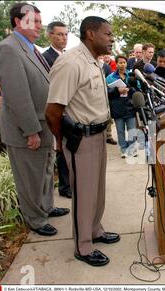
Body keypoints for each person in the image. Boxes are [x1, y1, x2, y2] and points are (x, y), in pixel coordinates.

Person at [45, 16, 120, 267]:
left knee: (97, 191)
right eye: (108, 34)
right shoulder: (71, 62)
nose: (112, 39)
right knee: (84, 194)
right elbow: (53, 110)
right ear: (90, 34)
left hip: (98, 134)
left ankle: (95, 230)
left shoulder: (94, 62)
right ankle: (83, 246)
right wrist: (60, 141)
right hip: (81, 139)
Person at [0, 2, 69, 237]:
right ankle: (35, 219)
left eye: (39, 21)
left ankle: (45, 207)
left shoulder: (29, 48)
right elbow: (18, 96)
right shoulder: (8, 49)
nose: (39, 25)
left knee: (45, 174)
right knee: (30, 179)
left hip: (42, 126)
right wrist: (31, 131)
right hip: (27, 131)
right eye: (33, 21)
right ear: (18, 21)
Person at [42, 21, 72, 199]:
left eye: (66, 34)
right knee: (60, 149)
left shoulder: (68, 56)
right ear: (50, 35)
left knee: (70, 149)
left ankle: (71, 182)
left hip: (71, 110)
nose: (64, 38)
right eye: (60, 34)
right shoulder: (46, 57)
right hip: (56, 110)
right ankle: (64, 186)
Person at [106, 55, 137, 158]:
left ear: (126, 63)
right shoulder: (110, 77)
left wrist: (130, 89)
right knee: (120, 131)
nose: (122, 64)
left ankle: (132, 148)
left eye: (124, 62)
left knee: (132, 129)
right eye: (120, 62)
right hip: (117, 107)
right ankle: (123, 149)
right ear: (116, 63)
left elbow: (137, 89)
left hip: (129, 106)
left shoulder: (130, 76)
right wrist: (117, 90)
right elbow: (106, 92)